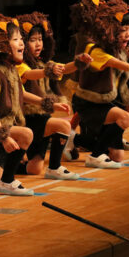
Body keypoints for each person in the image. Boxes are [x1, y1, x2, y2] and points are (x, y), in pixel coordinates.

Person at [0, 15, 70, 195]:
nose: (21, 43)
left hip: (1, 129)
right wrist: (4, 136)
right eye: (16, 39)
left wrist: (46, 103)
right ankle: (7, 181)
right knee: (26, 133)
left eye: (21, 39)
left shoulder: (11, 70)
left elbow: (20, 93)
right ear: (0, 46)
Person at [15, 11, 89, 180]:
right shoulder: (20, 66)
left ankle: (5, 165)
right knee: (63, 126)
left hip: (42, 116)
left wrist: (78, 63)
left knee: (34, 169)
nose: (38, 43)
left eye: (40, 39)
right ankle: (55, 168)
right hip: (28, 119)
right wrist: (48, 70)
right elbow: (33, 74)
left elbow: (62, 68)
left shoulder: (42, 62)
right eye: (32, 40)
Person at [71, 0, 129, 168]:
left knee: (117, 157)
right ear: (111, 30)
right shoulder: (96, 50)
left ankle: (75, 139)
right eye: (123, 30)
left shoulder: (117, 48)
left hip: (105, 101)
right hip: (89, 104)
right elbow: (119, 64)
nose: (127, 34)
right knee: (125, 116)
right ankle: (95, 155)